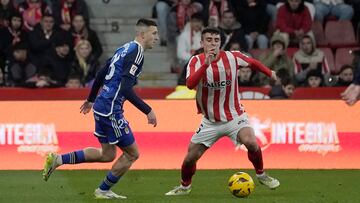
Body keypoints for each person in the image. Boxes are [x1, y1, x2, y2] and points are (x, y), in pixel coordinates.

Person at [42, 18, 159, 199]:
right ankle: (102, 190)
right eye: (154, 33)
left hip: (101, 106)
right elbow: (126, 89)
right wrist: (148, 110)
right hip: (111, 109)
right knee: (133, 153)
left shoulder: (124, 48)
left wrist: (90, 99)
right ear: (142, 34)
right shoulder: (137, 53)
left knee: (107, 154)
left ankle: (57, 160)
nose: (157, 38)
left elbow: (102, 73)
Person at [165, 27, 280, 196]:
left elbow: (252, 62)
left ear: (220, 42)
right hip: (210, 122)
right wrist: (206, 64)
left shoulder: (233, 57)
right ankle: (184, 187)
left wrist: (269, 72)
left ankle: (262, 175)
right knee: (190, 159)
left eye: (216, 40)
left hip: (235, 116)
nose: (213, 43)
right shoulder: (196, 61)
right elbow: (189, 84)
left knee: (251, 142)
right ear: (202, 43)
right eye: (209, 40)